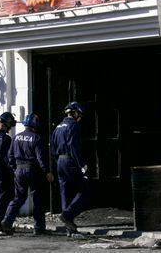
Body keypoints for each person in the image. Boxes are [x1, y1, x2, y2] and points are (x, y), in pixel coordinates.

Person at [1, 113, 54, 235]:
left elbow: (10, 156)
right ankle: (39, 228)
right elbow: (41, 158)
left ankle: (7, 220)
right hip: (33, 171)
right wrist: (47, 172)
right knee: (37, 199)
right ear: (35, 125)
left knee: (18, 198)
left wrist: (15, 169)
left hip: (19, 170)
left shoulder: (15, 138)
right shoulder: (37, 138)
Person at [51, 101, 89, 236]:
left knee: (65, 193)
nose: (80, 117)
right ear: (75, 112)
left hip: (60, 161)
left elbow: (53, 148)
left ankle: (69, 228)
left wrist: (58, 162)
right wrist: (81, 164)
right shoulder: (74, 126)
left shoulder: (58, 127)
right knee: (84, 191)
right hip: (70, 161)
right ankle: (67, 215)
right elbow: (74, 147)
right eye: (80, 114)